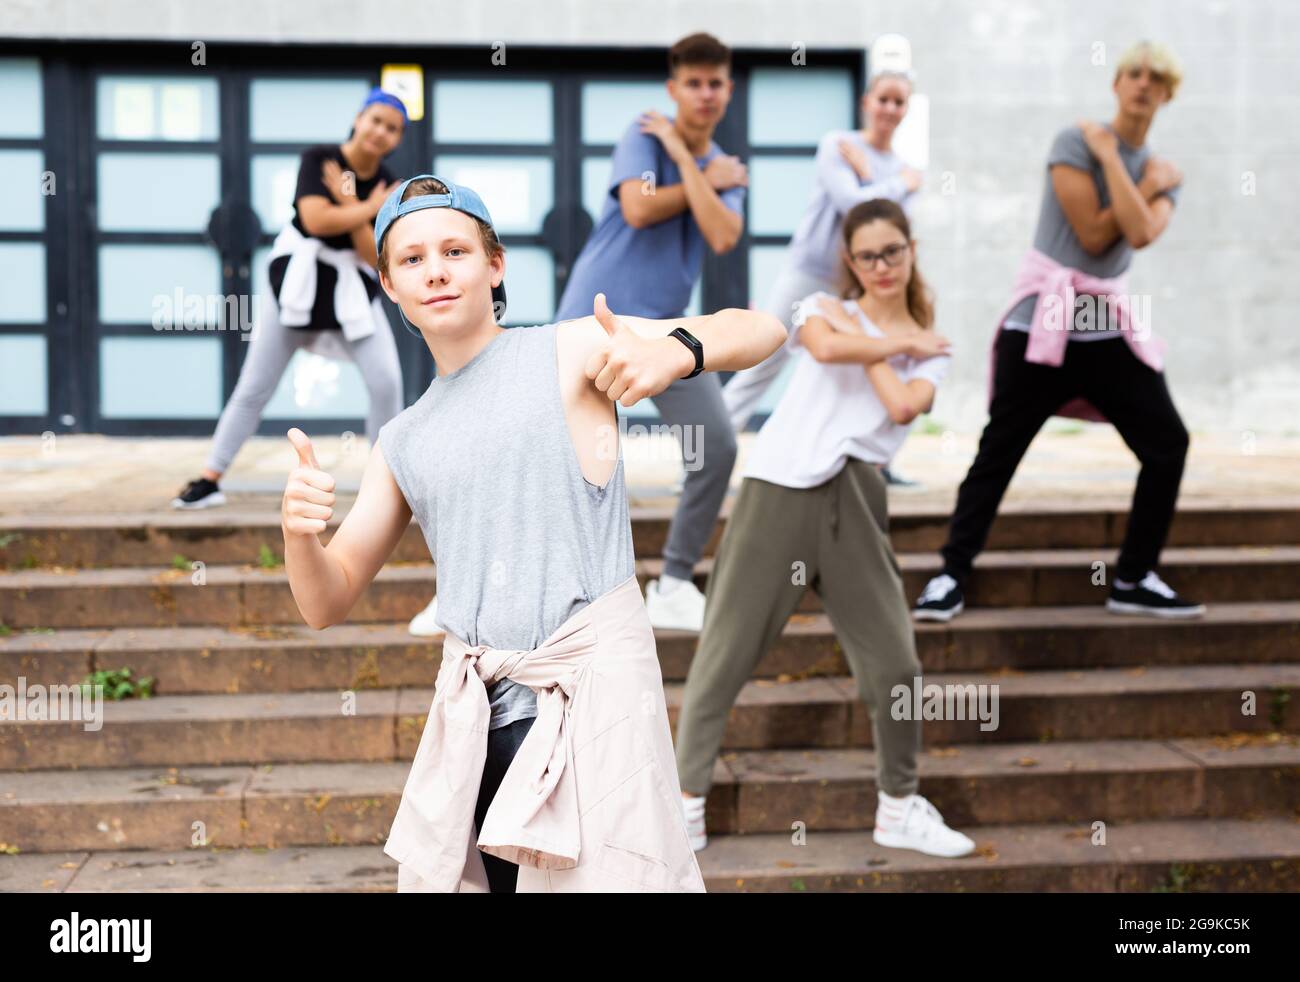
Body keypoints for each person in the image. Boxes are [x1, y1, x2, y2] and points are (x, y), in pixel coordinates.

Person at [278, 173, 787, 892]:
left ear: (495, 265)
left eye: (454, 249)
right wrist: (301, 536)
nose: (436, 270)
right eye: (413, 259)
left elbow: (760, 328)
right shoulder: (402, 439)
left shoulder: (571, 348)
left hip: (591, 714)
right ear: (389, 286)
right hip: (478, 730)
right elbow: (324, 603)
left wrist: (675, 351)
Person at [674, 198, 973, 859]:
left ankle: (899, 807)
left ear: (911, 247)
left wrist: (874, 342)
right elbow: (822, 344)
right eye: (867, 256)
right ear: (849, 261)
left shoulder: (933, 350)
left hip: (857, 501)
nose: (881, 265)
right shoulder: (824, 308)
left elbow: (898, 405)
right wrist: (891, 340)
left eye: (892, 251)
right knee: (724, 654)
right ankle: (684, 805)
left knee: (896, 664)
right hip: (777, 490)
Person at [913, 40, 1203, 623]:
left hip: (1104, 327)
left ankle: (1133, 577)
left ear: (1167, 94)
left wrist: (1130, 174)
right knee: (999, 450)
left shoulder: (1160, 170)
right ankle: (950, 575)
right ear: (1117, 83)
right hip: (1042, 320)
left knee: (1168, 443)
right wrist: (1134, 178)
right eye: (1133, 73)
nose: (1143, 84)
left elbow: (1142, 234)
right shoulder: (1075, 141)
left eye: (1155, 78)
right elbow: (1095, 236)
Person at [553, 32, 748, 632]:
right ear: (674, 88)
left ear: (729, 89)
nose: (705, 94)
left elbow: (722, 236)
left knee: (717, 447)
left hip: (665, 332)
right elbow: (637, 209)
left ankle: (675, 580)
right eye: (694, 83)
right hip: (598, 316)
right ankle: (560, 590)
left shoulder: (722, 167)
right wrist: (699, 174)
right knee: (577, 458)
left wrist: (691, 164)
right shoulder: (643, 134)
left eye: (716, 83)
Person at [172, 87, 407, 510]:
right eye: (376, 120)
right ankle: (210, 478)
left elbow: (372, 255)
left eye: (392, 128)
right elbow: (315, 220)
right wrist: (368, 208)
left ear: (398, 138)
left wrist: (351, 201)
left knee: (387, 381)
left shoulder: (390, 182)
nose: (381, 132)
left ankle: (384, 481)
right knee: (254, 385)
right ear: (359, 118)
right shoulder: (320, 158)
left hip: (352, 286)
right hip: (297, 283)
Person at [720, 66, 921, 435]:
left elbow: (891, 230)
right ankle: (705, 461)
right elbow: (852, 206)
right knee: (764, 357)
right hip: (810, 273)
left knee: (875, 364)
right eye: (883, 99)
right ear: (866, 102)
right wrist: (886, 184)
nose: (890, 108)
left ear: (907, 108)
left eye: (899, 101)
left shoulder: (905, 171)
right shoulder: (839, 145)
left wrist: (872, 180)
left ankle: (878, 460)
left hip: (861, 287)